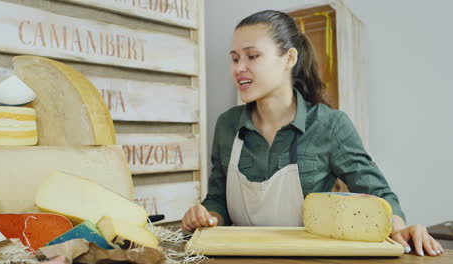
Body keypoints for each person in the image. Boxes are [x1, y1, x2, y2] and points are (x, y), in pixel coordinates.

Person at [181, 10, 443, 257]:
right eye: (235, 58)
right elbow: (217, 199)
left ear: (289, 59)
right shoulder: (227, 125)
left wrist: (399, 228)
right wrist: (206, 216)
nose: (238, 68)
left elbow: (378, 195)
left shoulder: (330, 125)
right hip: (240, 258)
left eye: (252, 56)